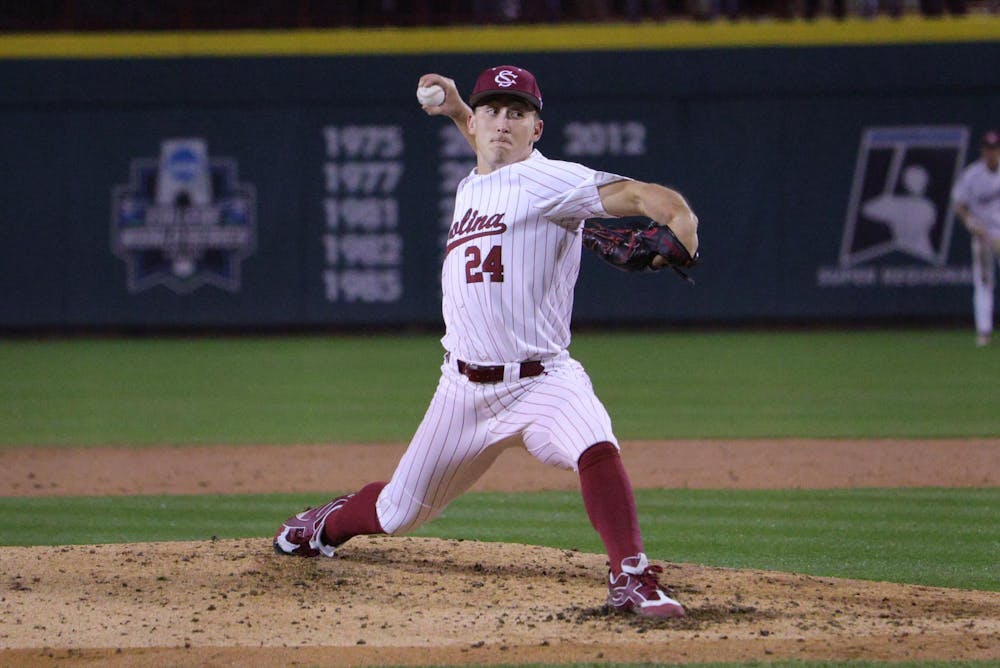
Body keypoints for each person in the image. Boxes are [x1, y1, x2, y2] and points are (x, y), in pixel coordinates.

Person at [273, 65, 700, 618]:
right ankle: (324, 524)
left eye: (519, 113)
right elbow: (485, 147)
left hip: (543, 379)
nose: (504, 123)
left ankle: (631, 576)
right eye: (493, 111)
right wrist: (454, 108)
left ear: (536, 130)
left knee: (594, 441)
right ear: (478, 123)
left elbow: (642, 195)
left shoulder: (554, 182)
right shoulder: (473, 183)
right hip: (462, 389)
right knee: (400, 512)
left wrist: (681, 220)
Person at [952, 129, 1000, 347]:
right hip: (981, 234)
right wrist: (972, 224)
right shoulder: (972, 174)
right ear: (983, 150)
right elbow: (959, 204)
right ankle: (984, 331)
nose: (991, 152)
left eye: (994, 148)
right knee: (983, 281)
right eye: (987, 148)